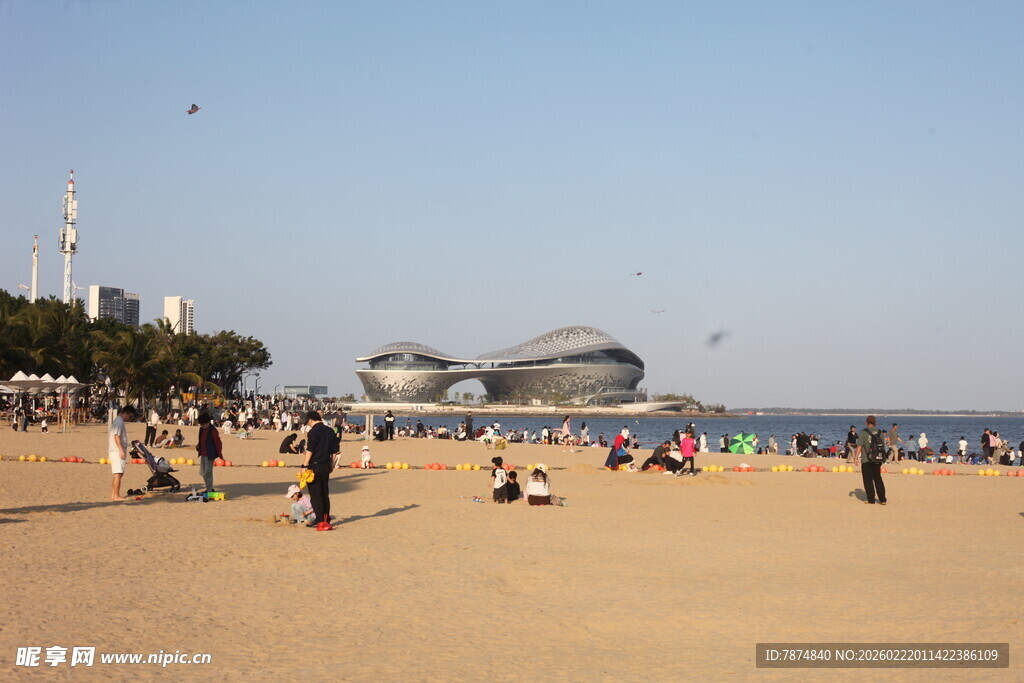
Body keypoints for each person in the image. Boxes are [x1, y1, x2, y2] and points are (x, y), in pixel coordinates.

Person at [301, 411, 337, 531]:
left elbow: (310, 450)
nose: (308, 425)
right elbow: (334, 452)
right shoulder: (330, 431)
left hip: (315, 465)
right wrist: (331, 464)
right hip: (326, 465)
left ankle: (320, 521)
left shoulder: (313, 432)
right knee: (324, 493)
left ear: (311, 420)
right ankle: (325, 519)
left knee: (315, 494)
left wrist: (304, 465)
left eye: (308, 423)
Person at [855, 415, 887, 505]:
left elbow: (859, 446)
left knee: (868, 480)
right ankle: (883, 499)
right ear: (875, 423)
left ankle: (871, 499)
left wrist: (856, 457)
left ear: (866, 422)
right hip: (878, 459)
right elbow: (883, 446)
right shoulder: (880, 432)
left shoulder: (863, 433)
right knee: (878, 478)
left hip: (866, 459)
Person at [108, 405, 137, 501]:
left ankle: (114, 494)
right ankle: (116, 495)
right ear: (125, 413)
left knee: (118, 474)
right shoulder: (119, 422)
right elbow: (116, 436)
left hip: (116, 450)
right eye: (129, 416)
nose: (130, 419)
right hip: (116, 451)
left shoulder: (118, 421)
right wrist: (120, 450)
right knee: (118, 473)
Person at [196, 411, 222, 494]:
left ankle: (209, 489)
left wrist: (219, 454)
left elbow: (218, 443)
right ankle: (209, 488)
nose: (202, 426)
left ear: (208, 422)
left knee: (208, 473)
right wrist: (198, 446)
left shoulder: (213, 430)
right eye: (201, 424)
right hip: (203, 453)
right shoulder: (201, 429)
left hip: (210, 455)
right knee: (202, 472)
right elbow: (201, 439)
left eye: (203, 424)